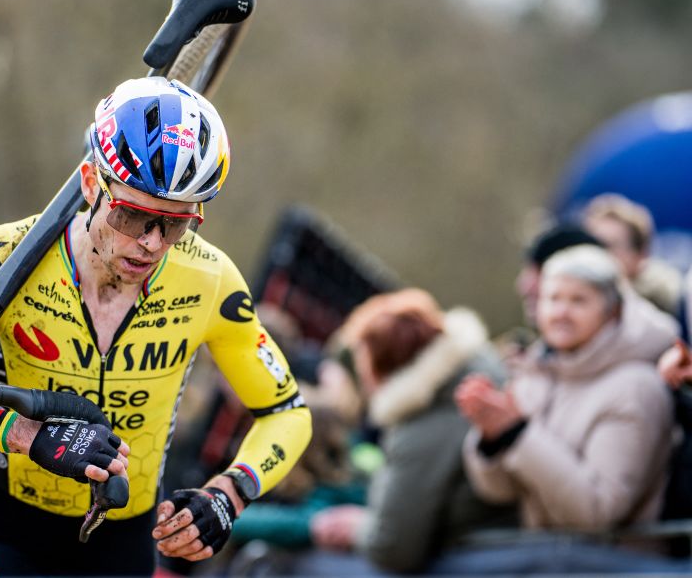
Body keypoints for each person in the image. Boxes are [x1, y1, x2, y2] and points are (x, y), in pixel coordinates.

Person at [0, 77, 312, 577]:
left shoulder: (211, 280)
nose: (154, 244)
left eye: (178, 223)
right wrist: (20, 433)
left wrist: (231, 491)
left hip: (122, 546)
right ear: (92, 183)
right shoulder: (8, 258)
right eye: (134, 217)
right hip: (4, 530)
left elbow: (287, 413)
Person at [451, 245, 679, 573]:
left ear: (612, 311)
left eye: (578, 300)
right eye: (553, 298)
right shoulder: (537, 374)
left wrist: (518, 434)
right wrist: (492, 437)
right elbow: (499, 492)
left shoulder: (636, 387)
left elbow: (598, 512)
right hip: (547, 563)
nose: (561, 312)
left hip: (619, 566)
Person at [288, 289, 515, 576]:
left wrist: (357, 528)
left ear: (381, 364)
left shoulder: (422, 429)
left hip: (471, 555)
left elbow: (393, 547)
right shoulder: (478, 371)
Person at [582, 193, 683, 317]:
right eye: (591, 244)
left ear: (641, 255)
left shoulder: (664, 311)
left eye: (609, 246)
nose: (597, 254)